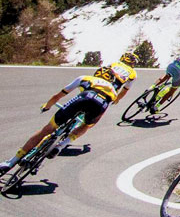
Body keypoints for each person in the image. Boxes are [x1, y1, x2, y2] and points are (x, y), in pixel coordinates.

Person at [1, 54, 138, 174]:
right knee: (86, 125)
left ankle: (11, 162)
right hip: (101, 103)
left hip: (84, 96)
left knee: (47, 129)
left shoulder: (86, 78)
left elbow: (58, 96)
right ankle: (61, 145)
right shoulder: (114, 89)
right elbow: (104, 110)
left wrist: (47, 106)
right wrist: (90, 123)